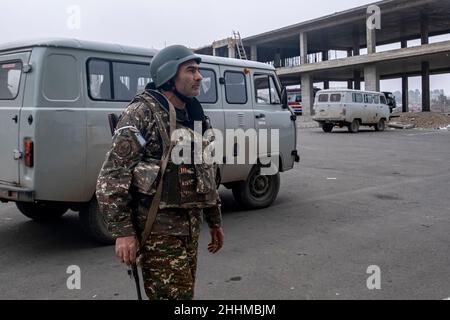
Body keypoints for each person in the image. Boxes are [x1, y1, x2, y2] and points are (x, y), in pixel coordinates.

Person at [96, 45, 224, 300]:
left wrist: (214, 220)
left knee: (185, 295)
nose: (199, 77)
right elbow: (112, 177)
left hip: (190, 228)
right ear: (169, 76)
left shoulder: (195, 115)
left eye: (198, 70)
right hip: (158, 231)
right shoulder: (142, 113)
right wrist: (124, 232)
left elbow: (205, 171)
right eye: (191, 70)